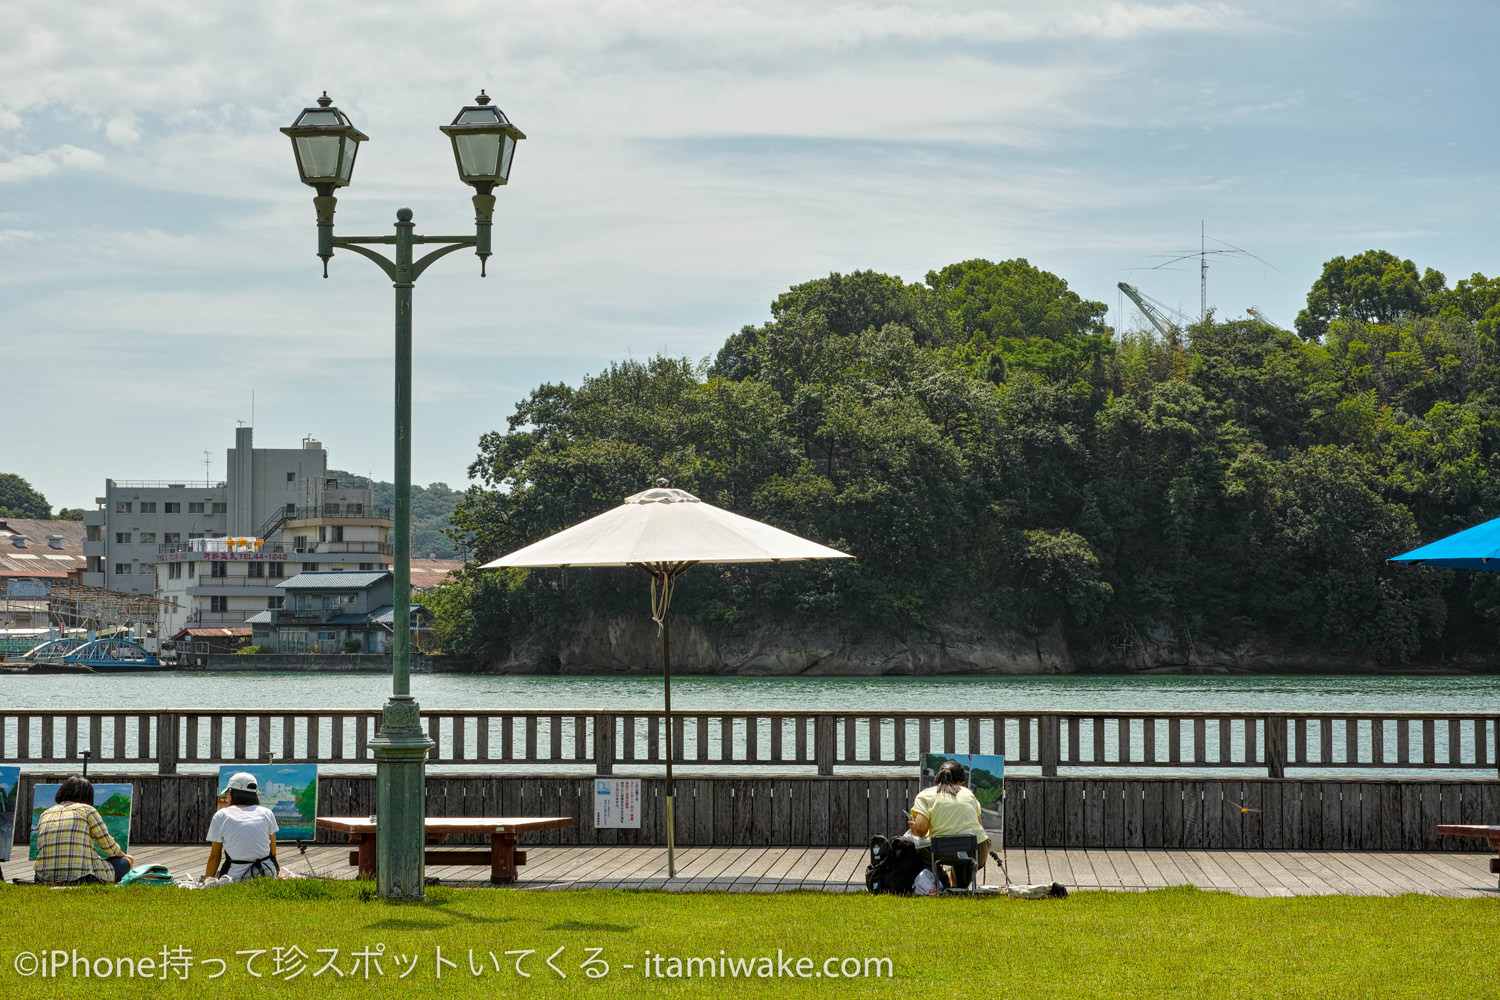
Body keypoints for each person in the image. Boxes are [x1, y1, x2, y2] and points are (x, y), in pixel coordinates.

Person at [33, 775, 133, 885]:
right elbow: (108, 846)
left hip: (44, 877)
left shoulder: (46, 813)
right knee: (124, 863)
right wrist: (124, 855)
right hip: (83, 876)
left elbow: (41, 847)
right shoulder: (87, 810)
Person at [907, 760, 991, 880]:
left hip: (945, 849)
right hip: (977, 851)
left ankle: (943, 881)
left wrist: (914, 828)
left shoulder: (925, 795)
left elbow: (921, 829)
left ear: (938, 777)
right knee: (960, 880)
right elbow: (980, 827)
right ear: (962, 782)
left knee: (917, 849)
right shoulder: (968, 793)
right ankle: (957, 885)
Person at [204, 772, 279, 881]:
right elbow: (272, 852)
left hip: (236, 877)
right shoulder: (267, 813)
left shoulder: (222, 815)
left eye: (227, 794)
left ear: (232, 793)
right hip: (267, 874)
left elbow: (215, 857)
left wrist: (207, 881)